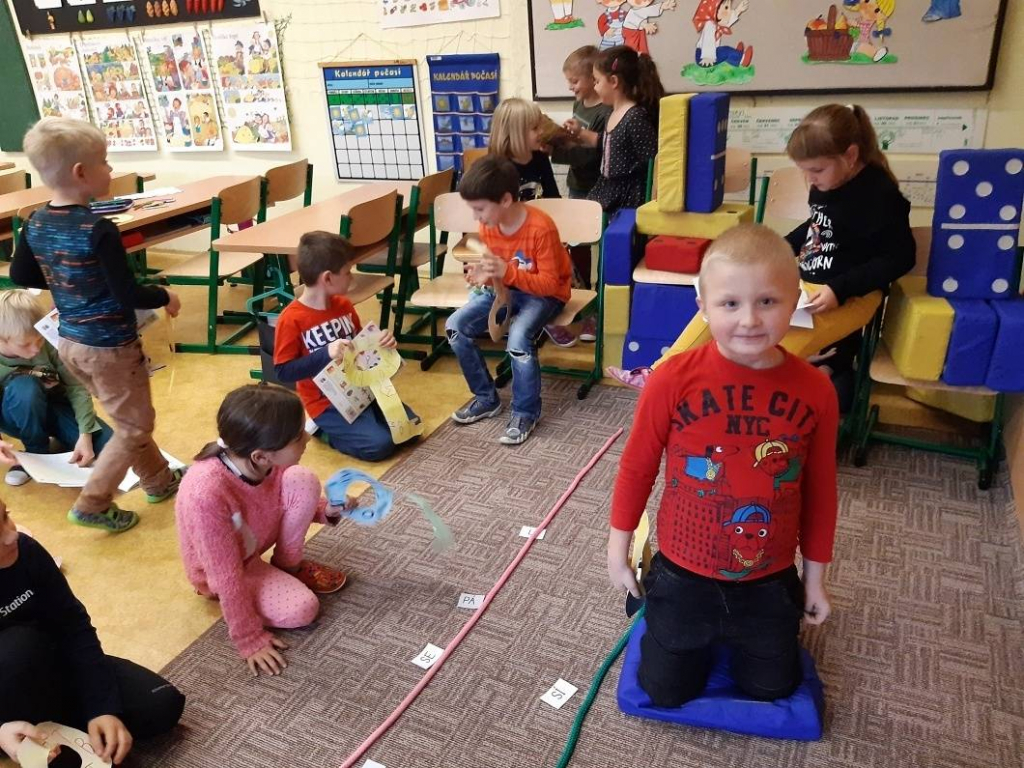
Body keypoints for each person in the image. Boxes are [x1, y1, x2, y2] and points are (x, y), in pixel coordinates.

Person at [607, 224, 838, 708]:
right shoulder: (670, 379)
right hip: (682, 573)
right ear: (703, 307)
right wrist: (618, 549)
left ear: (795, 301)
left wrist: (814, 578)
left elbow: (820, 490)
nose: (749, 319)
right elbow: (637, 467)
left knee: (772, 689)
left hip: (769, 577)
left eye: (768, 301)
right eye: (730, 303)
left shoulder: (817, 389)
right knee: (664, 691)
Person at [609, 104, 914, 410]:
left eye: (817, 170)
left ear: (850, 155)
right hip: (806, 286)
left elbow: (900, 258)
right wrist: (776, 248)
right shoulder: (829, 181)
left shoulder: (880, 195)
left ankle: (722, 404)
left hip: (852, 297)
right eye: (804, 170)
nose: (810, 179)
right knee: (719, 308)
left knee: (763, 351)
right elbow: (818, 226)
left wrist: (839, 289)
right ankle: (662, 374)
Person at [11, 118, 183, 533]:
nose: (110, 169)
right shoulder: (97, 228)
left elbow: (22, 274)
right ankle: (93, 503)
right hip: (110, 348)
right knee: (134, 425)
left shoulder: (36, 221)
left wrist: (69, 282)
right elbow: (127, 293)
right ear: (81, 173)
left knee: (128, 418)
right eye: (104, 162)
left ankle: (158, 480)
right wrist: (165, 295)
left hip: (71, 343)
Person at [176, 384, 349, 678]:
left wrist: (327, 510)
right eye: (298, 436)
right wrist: (249, 638)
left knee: (302, 479)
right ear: (261, 456)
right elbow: (225, 575)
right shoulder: (205, 494)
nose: (308, 437)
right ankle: (231, 596)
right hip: (227, 570)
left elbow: (281, 498)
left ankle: (288, 567)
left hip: (252, 542)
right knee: (303, 609)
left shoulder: (259, 458)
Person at [0, 496, 185, 766]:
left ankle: (66, 726)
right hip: (10, 692)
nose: (11, 535)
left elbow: (72, 627)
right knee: (19, 647)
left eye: (5, 516)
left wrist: (102, 707)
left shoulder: (26, 550)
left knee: (161, 705)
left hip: (56, 665)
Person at [446, 156, 572, 446]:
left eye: (479, 209)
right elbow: (498, 269)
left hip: (546, 295)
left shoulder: (541, 227)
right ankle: (486, 398)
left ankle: (525, 412)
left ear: (505, 200)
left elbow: (549, 284)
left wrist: (505, 272)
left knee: (518, 338)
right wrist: (485, 274)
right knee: (455, 327)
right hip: (508, 288)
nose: (476, 217)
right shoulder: (489, 227)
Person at [273, 231, 417, 462]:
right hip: (326, 404)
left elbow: (360, 346)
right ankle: (323, 432)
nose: (352, 278)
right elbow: (283, 371)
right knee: (380, 446)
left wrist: (382, 342)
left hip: (362, 391)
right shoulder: (291, 319)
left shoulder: (343, 305)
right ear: (328, 278)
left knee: (410, 427)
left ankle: (368, 425)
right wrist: (325, 354)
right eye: (347, 272)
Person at [0, 290, 113, 487]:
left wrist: (85, 434)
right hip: (14, 414)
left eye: (39, 340)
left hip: (54, 406)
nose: (35, 349)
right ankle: (35, 453)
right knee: (25, 388)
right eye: (25, 344)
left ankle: (59, 436)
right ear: (2, 339)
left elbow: (77, 387)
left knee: (109, 447)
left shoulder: (49, 341)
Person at [488, 98, 573, 348]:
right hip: (511, 247)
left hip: (539, 240)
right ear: (515, 133)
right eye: (535, 128)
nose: (541, 132)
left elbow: (554, 200)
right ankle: (532, 318)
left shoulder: (539, 158)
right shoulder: (496, 167)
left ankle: (542, 315)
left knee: (555, 267)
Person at [550, 45, 612, 344]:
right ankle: (584, 301)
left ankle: (599, 306)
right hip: (577, 184)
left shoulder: (605, 110)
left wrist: (558, 149)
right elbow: (579, 143)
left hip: (597, 187)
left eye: (575, 81)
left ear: (592, 78)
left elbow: (594, 155)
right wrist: (568, 133)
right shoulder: (580, 104)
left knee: (603, 246)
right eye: (569, 81)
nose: (571, 86)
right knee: (578, 247)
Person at [564, 44, 663, 216]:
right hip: (606, 192)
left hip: (627, 200)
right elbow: (608, 143)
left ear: (614, 82)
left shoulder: (635, 117)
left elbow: (652, 162)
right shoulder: (612, 112)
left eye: (597, 81)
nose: (595, 87)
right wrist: (580, 133)